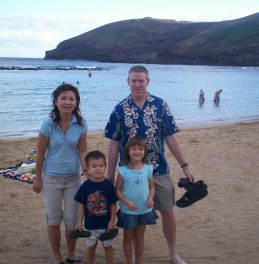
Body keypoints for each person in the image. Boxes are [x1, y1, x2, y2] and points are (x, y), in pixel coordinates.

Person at [105, 65, 194, 264]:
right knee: (134, 215)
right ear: (128, 82)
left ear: (148, 81)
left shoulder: (160, 105)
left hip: (158, 169)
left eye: (141, 80)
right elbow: (113, 143)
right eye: (133, 80)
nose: (137, 84)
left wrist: (184, 165)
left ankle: (173, 254)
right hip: (129, 172)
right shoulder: (119, 109)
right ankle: (136, 256)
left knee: (167, 210)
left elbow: (170, 137)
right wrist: (110, 174)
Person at [32, 84, 88, 264]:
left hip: (73, 179)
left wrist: (86, 171)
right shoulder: (48, 124)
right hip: (51, 180)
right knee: (54, 219)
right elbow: (40, 154)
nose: (67, 102)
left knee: (72, 220)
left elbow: (82, 151)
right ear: (56, 102)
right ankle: (57, 257)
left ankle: (71, 254)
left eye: (71, 98)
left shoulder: (80, 124)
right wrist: (37, 179)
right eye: (63, 98)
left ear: (76, 102)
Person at [115, 136, 157, 264]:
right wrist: (127, 202)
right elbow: (117, 190)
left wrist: (151, 199)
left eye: (140, 149)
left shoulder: (148, 168)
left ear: (144, 151)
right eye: (134, 149)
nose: (137, 151)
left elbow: (151, 187)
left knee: (140, 238)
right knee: (127, 239)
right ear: (128, 151)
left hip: (144, 210)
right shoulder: (123, 170)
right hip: (128, 211)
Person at [74, 150, 118, 264]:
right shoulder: (85, 186)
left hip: (106, 225)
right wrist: (79, 222)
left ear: (105, 167)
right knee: (91, 248)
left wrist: (112, 220)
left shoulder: (108, 185)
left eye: (101, 166)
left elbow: (114, 203)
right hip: (90, 225)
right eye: (94, 166)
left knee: (108, 247)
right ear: (87, 169)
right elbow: (81, 204)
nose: (98, 169)